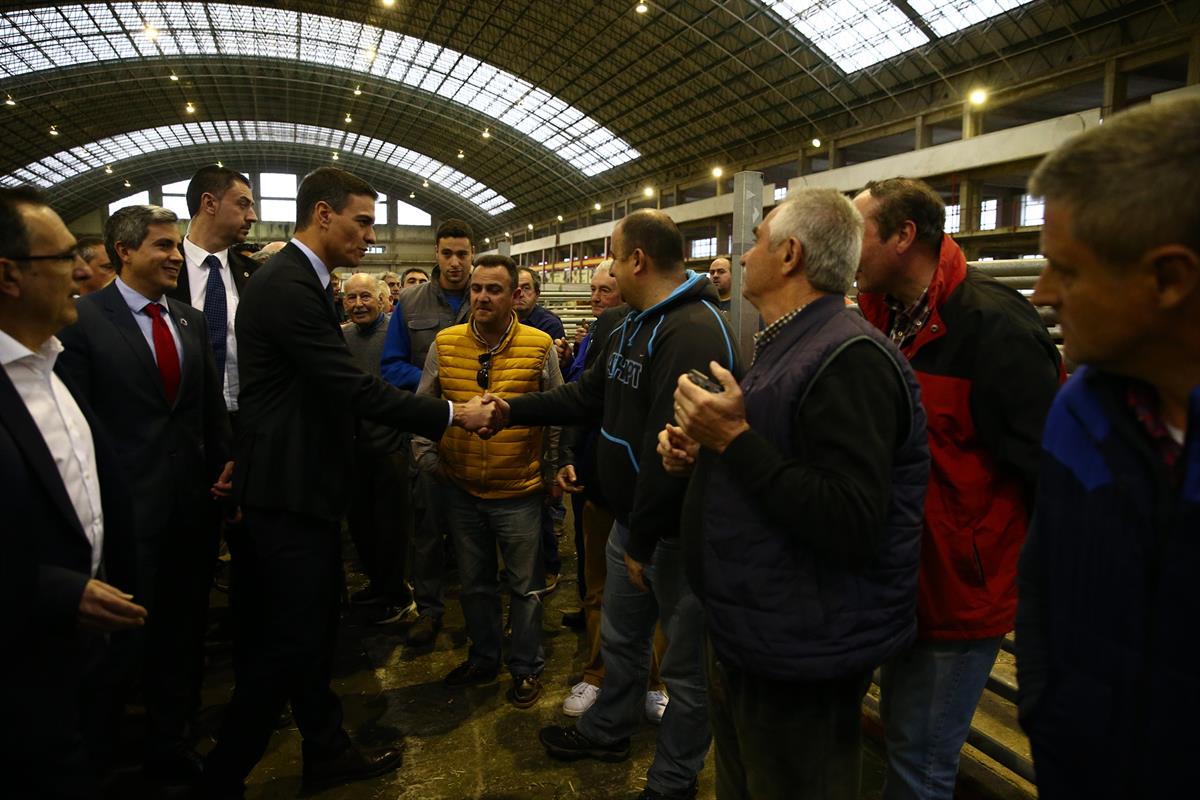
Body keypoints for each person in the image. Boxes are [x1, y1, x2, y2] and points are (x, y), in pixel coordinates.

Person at [201, 168, 493, 797]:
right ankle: (223, 773)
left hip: (297, 483)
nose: (370, 234)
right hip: (288, 489)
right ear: (324, 215)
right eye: (362, 221)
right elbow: (351, 387)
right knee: (289, 638)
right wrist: (451, 412)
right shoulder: (288, 285)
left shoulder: (300, 279)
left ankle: (326, 748)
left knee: (310, 628)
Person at [660, 189, 930, 799]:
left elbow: (850, 517)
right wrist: (705, 454)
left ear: (788, 255)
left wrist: (731, 440)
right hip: (760, 632)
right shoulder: (791, 342)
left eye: (755, 241)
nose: (743, 253)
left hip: (804, 649)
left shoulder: (848, 357)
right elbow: (779, 459)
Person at [481, 209, 739, 800]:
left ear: (637, 261)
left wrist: (644, 541)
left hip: (674, 532)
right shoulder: (624, 323)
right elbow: (588, 393)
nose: (610, 269)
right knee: (621, 638)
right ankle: (608, 729)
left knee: (683, 670)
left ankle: (673, 779)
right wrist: (512, 410)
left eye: (615, 257)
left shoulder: (694, 331)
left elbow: (673, 452)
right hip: (631, 520)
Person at [851, 177, 1062, 800]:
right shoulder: (877, 314)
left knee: (920, 761)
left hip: (957, 593)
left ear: (902, 236)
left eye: (857, 231)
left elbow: (1046, 472)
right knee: (900, 736)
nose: (843, 246)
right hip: (893, 579)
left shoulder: (994, 329)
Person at [1016, 98, 1200, 799]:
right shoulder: (1079, 411)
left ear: (1169, 279)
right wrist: (1049, 712)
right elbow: (1042, 584)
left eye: (1068, 269)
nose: (1042, 292)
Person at [56, 204, 233, 783]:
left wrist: (224, 458)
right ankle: (102, 749)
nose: (175, 257)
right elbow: (76, 423)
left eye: (177, 247)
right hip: (124, 515)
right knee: (120, 640)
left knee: (182, 631)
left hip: (191, 507)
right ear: (123, 251)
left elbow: (205, 405)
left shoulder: (184, 319)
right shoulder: (81, 321)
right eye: (162, 246)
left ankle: (171, 737)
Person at [0, 186, 146, 799]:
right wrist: (53, 590)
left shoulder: (50, 365)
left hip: (82, 659)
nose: (83, 271)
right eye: (63, 259)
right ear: (9, 276)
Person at [412, 254, 562, 707]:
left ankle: (525, 666)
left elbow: (556, 414)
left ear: (514, 294)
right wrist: (427, 457)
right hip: (461, 488)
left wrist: (552, 473)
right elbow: (425, 405)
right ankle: (483, 656)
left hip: (518, 490)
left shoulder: (539, 345)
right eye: (476, 288)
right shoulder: (446, 342)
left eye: (493, 289)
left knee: (526, 587)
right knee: (474, 584)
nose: (481, 297)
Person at [558, 260, 670, 723]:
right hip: (603, 482)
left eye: (610, 281)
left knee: (656, 590)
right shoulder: (608, 327)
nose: (599, 293)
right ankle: (597, 673)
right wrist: (566, 451)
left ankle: (653, 680)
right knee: (599, 587)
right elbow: (585, 395)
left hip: (655, 489)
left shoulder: (680, 329)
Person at [380, 219, 475, 646]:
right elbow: (391, 364)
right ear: (435, 254)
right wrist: (437, 382)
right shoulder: (411, 303)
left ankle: (480, 615)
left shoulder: (487, 295)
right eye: (447, 253)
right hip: (429, 435)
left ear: (472, 255)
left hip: (481, 436)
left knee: (477, 533)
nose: (455, 263)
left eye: (463, 254)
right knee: (427, 529)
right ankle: (431, 609)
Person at [340, 273, 417, 626]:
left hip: (392, 449)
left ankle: (398, 594)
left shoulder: (396, 338)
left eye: (365, 297)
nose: (358, 304)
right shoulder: (341, 338)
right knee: (361, 525)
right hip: (354, 449)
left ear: (385, 300)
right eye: (351, 298)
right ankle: (377, 585)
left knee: (392, 528)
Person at [169, 165, 260, 418]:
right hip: (185, 422)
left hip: (247, 421)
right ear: (209, 203)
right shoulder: (162, 273)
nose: (252, 216)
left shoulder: (256, 276)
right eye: (243, 204)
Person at [514, 265, 565, 590]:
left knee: (542, 508)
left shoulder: (546, 327)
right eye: (514, 288)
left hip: (537, 427)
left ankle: (550, 565)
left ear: (536, 292)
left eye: (525, 288)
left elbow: (555, 391)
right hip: (512, 431)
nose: (518, 294)